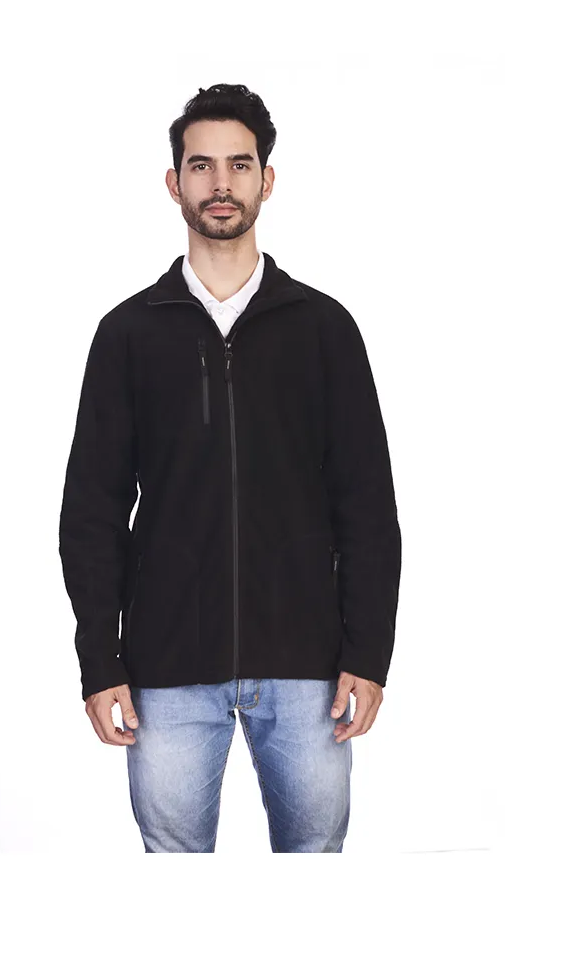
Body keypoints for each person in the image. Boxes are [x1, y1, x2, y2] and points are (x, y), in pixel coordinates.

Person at [58, 83, 402, 852]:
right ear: (173, 182)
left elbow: (367, 507)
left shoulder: (324, 330)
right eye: (201, 165)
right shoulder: (128, 335)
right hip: (166, 667)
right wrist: (100, 661)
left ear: (266, 180)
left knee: (314, 864)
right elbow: (92, 513)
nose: (221, 183)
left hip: (308, 666)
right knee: (176, 870)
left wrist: (368, 651)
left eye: (239, 165)